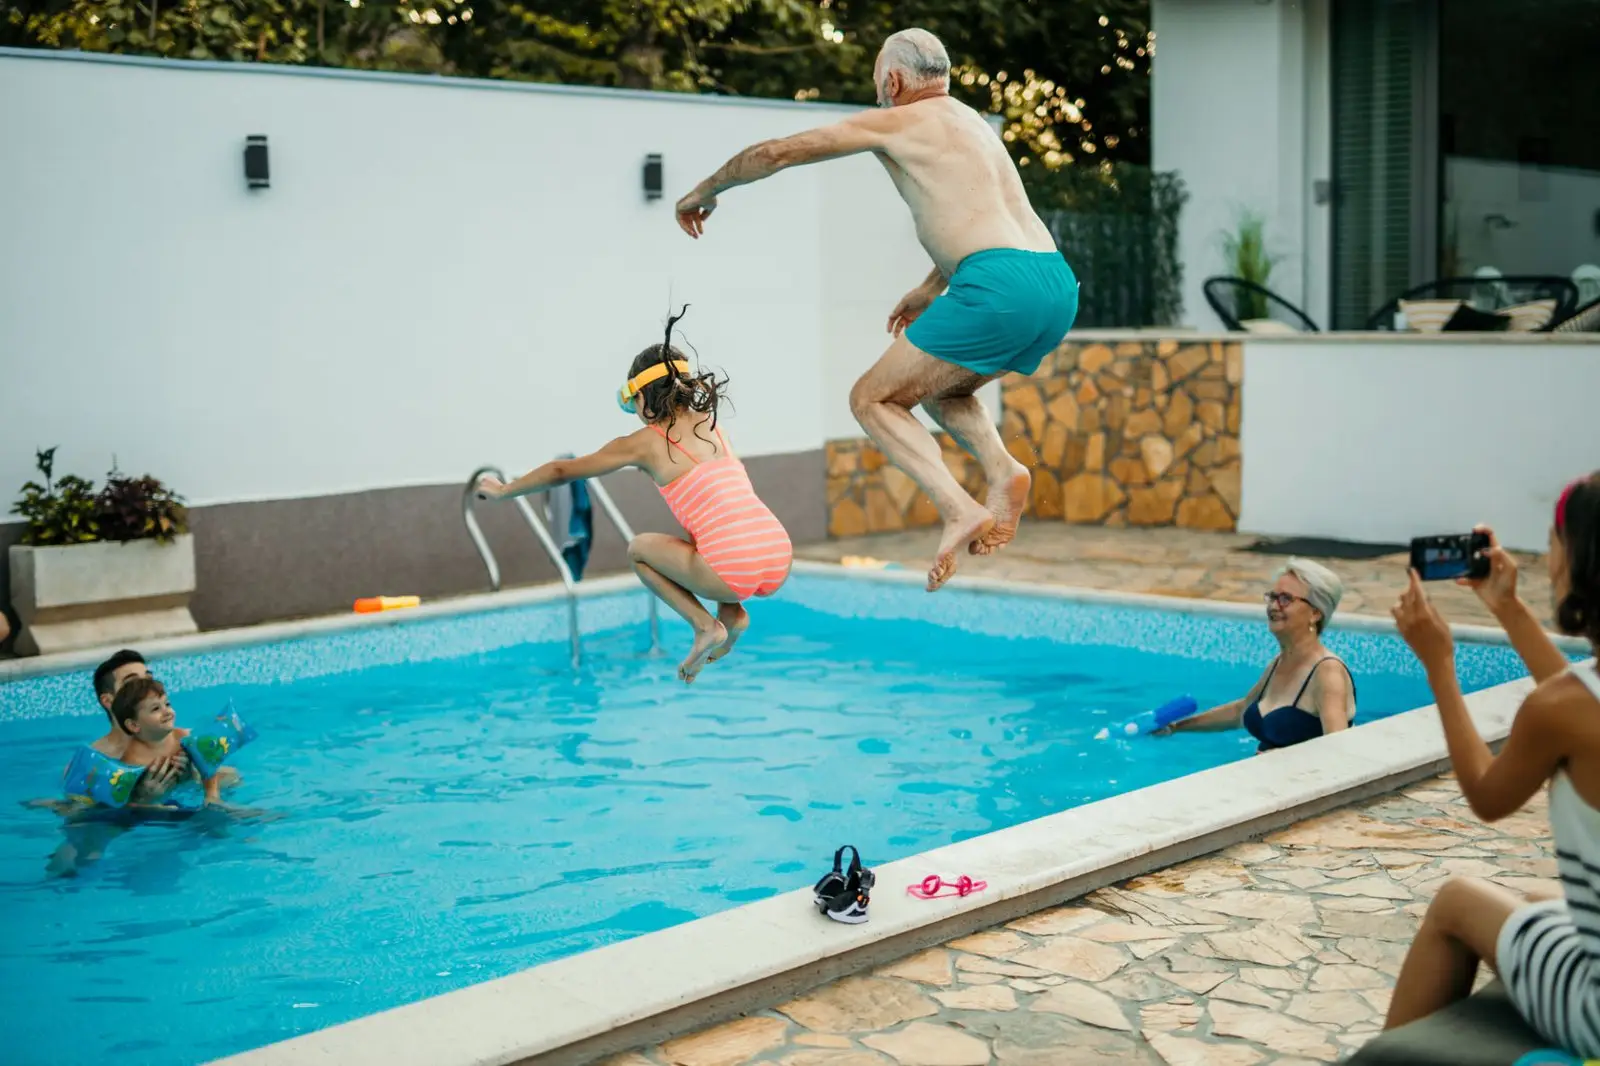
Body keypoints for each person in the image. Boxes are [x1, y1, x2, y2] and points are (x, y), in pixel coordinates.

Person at [673, 28, 1078, 592]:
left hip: (997, 286)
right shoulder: (975, 127)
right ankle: (1003, 470)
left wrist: (706, 189)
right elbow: (990, 220)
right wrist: (931, 287)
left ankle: (958, 507)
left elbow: (774, 153)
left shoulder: (897, 122)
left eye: (876, 84)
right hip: (1055, 284)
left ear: (893, 80)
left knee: (871, 399)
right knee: (941, 389)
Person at [1384, 472, 1600, 1057]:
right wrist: (1506, 606)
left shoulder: (1561, 710)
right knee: (1535, 900)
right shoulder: (1575, 704)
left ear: (1580, 561)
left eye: (1553, 542)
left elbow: (1486, 795)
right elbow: (1579, 700)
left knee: (1457, 901)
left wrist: (1439, 664)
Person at [475, 309, 793, 684]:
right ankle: (733, 613)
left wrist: (505, 491)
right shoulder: (712, 426)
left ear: (642, 398)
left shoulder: (644, 442)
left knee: (639, 550)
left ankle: (706, 626)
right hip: (777, 550)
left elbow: (562, 471)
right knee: (709, 527)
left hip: (732, 565)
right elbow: (725, 509)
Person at [1158, 559, 1357, 750]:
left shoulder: (1327, 673)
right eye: (1273, 597)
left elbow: (1338, 750)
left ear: (1315, 614)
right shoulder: (1279, 663)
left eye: (1286, 599)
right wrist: (1176, 727)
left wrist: (1287, 759)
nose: (1274, 606)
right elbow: (1240, 712)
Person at [109, 677, 223, 806]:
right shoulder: (132, 762)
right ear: (134, 725)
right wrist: (146, 802)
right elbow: (125, 803)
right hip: (159, 804)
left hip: (187, 788)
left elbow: (210, 767)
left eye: (167, 704)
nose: (167, 711)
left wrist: (212, 795)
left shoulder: (183, 737)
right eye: (155, 709)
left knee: (233, 778)